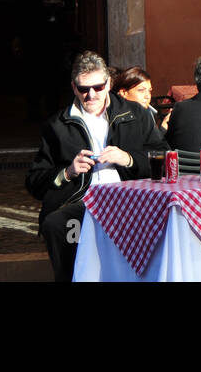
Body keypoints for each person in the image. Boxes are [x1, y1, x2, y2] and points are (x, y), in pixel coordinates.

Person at [26, 52, 165, 282]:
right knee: (58, 226)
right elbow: (34, 181)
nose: (91, 95)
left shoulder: (135, 114)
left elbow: (163, 154)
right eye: (83, 89)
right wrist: (67, 172)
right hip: (81, 205)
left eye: (98, 87)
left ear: (109, 83)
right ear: (73, 87)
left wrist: (128, 159)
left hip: (131, 200)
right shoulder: (57, 125)